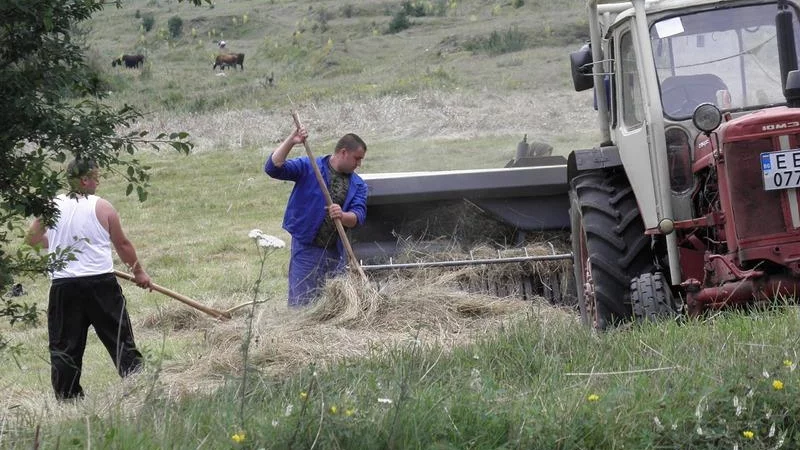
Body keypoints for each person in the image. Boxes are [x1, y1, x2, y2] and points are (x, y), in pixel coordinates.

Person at [26, 158, 152, 401]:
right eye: (96, 177)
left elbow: (31, 239)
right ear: (84, 180)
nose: (98, 182)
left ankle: (68, 399)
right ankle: (140, 387)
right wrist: (139, 272)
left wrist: (60, 243)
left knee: (65, 345)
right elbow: (122, 244)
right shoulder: (103, 207)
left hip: (64, 287)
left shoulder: (51, 206)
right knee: (119, 338)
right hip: (101, 285)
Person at [265, 126, 368, 307]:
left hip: (336, 253)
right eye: (357, 158)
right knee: (302, 304)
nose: (359, 164)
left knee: (334, 306)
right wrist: (291, 141)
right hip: (307, 249)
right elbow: (273, 168)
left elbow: (358, 216)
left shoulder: (358, 185)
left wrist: (342, 215)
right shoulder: (310, 167)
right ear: (343, 152)